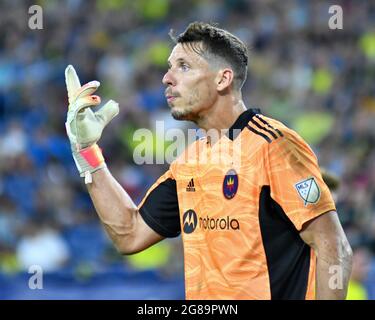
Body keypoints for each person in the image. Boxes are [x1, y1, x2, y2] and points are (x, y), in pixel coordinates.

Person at [64, 22, 352, 299]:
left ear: (222, 79)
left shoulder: (273, 145)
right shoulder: (190, 162)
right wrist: (86, 150)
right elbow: (130, 234)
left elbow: (333, 246)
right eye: (169, 67)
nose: (167, 78)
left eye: (184, 67)